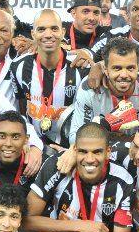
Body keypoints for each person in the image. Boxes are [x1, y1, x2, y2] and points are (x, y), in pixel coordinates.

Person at [67, 36, 139, 145]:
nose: (124, 75)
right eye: (117, 68)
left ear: (138, 67)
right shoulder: (90, 88)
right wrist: (103, 126)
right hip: (101, 156)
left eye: (130, 68)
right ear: (105, 69)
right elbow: (74, 138)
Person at [11, 9, 87, 148]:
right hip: (34, 145)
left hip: (70, 148)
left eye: (54, 28)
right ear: (33, 34)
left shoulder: (80, 67)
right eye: (41, 29)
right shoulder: (18, 66)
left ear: (63, 32)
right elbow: (22, 106)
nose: (48, 35)